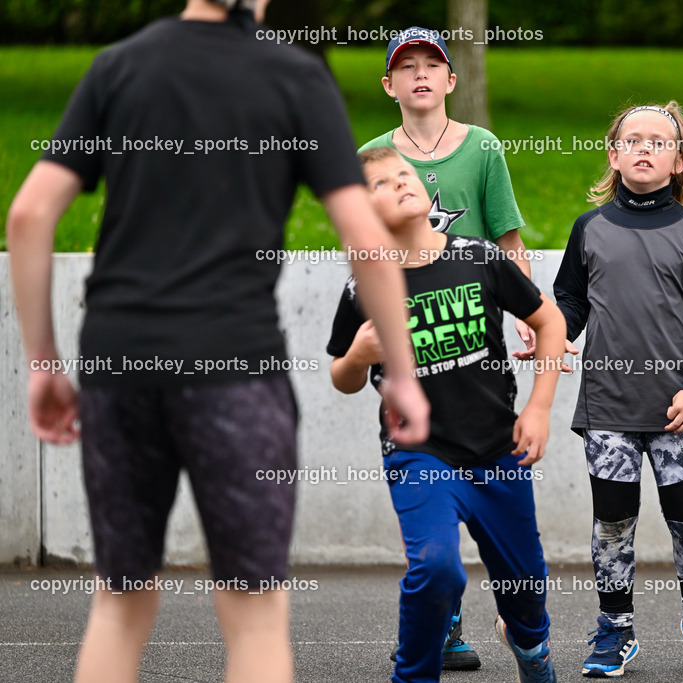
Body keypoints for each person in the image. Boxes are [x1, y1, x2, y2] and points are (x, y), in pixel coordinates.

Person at [5, 2, 428, 681]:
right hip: (235, 365)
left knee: (120, 599)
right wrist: (402, 374)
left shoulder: (120, 65)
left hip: (119, 361)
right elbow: (366, 239)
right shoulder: (293, 73)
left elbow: (28, 213)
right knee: (255, 607)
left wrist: (45, 365)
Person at [327, 146, 564, 683]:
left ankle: (529, 647)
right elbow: (342, 377)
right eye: (382, 184)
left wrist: (539, 406)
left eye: (404, 174)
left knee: (525, 593)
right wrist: (358, 359)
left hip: (498, 451)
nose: (401, 183)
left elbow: (550, 324)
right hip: (419, 454)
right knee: (436, 566)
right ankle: (413, 676)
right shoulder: (365, 284)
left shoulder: (479, 257)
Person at [360, 26, 536, 669]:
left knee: (491, 480)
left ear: (451, 78)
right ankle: (447, 624)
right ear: (390, 84)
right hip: (413, 345)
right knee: (431, 487)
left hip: (476, 340)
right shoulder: (373, 155)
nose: (421, 75)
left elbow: (506, 238)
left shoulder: (482, 148)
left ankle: (516, 613)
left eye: (432, 64)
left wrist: (526, 316)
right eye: (406, 67)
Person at [553, 102, 683, 676]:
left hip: (676, 408)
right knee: (612, 521)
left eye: (659, 142)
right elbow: (570, 302)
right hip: (607, 406)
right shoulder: (590, 229)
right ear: (613, 154)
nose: (644, 149)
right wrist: (551, 335)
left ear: (679, 160)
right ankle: (615, 631)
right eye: (633, 140)